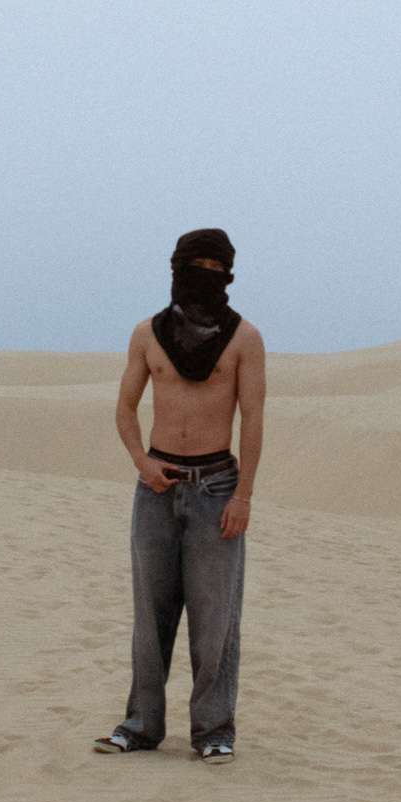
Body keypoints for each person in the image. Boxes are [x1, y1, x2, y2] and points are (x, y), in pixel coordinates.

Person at [94, 228, 265, 763]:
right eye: (196, 266)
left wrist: (244, 496)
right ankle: (141, 725)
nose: (204, 277)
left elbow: (254, 419)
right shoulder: (147, 334)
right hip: (157, 490)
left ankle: (214, 730)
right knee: (151, 615)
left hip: (216, 489)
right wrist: (142, 464)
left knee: (215, 619)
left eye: (216, 268)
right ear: (175, 269)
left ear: (230, 275)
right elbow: (124, 409)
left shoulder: (244, 339)